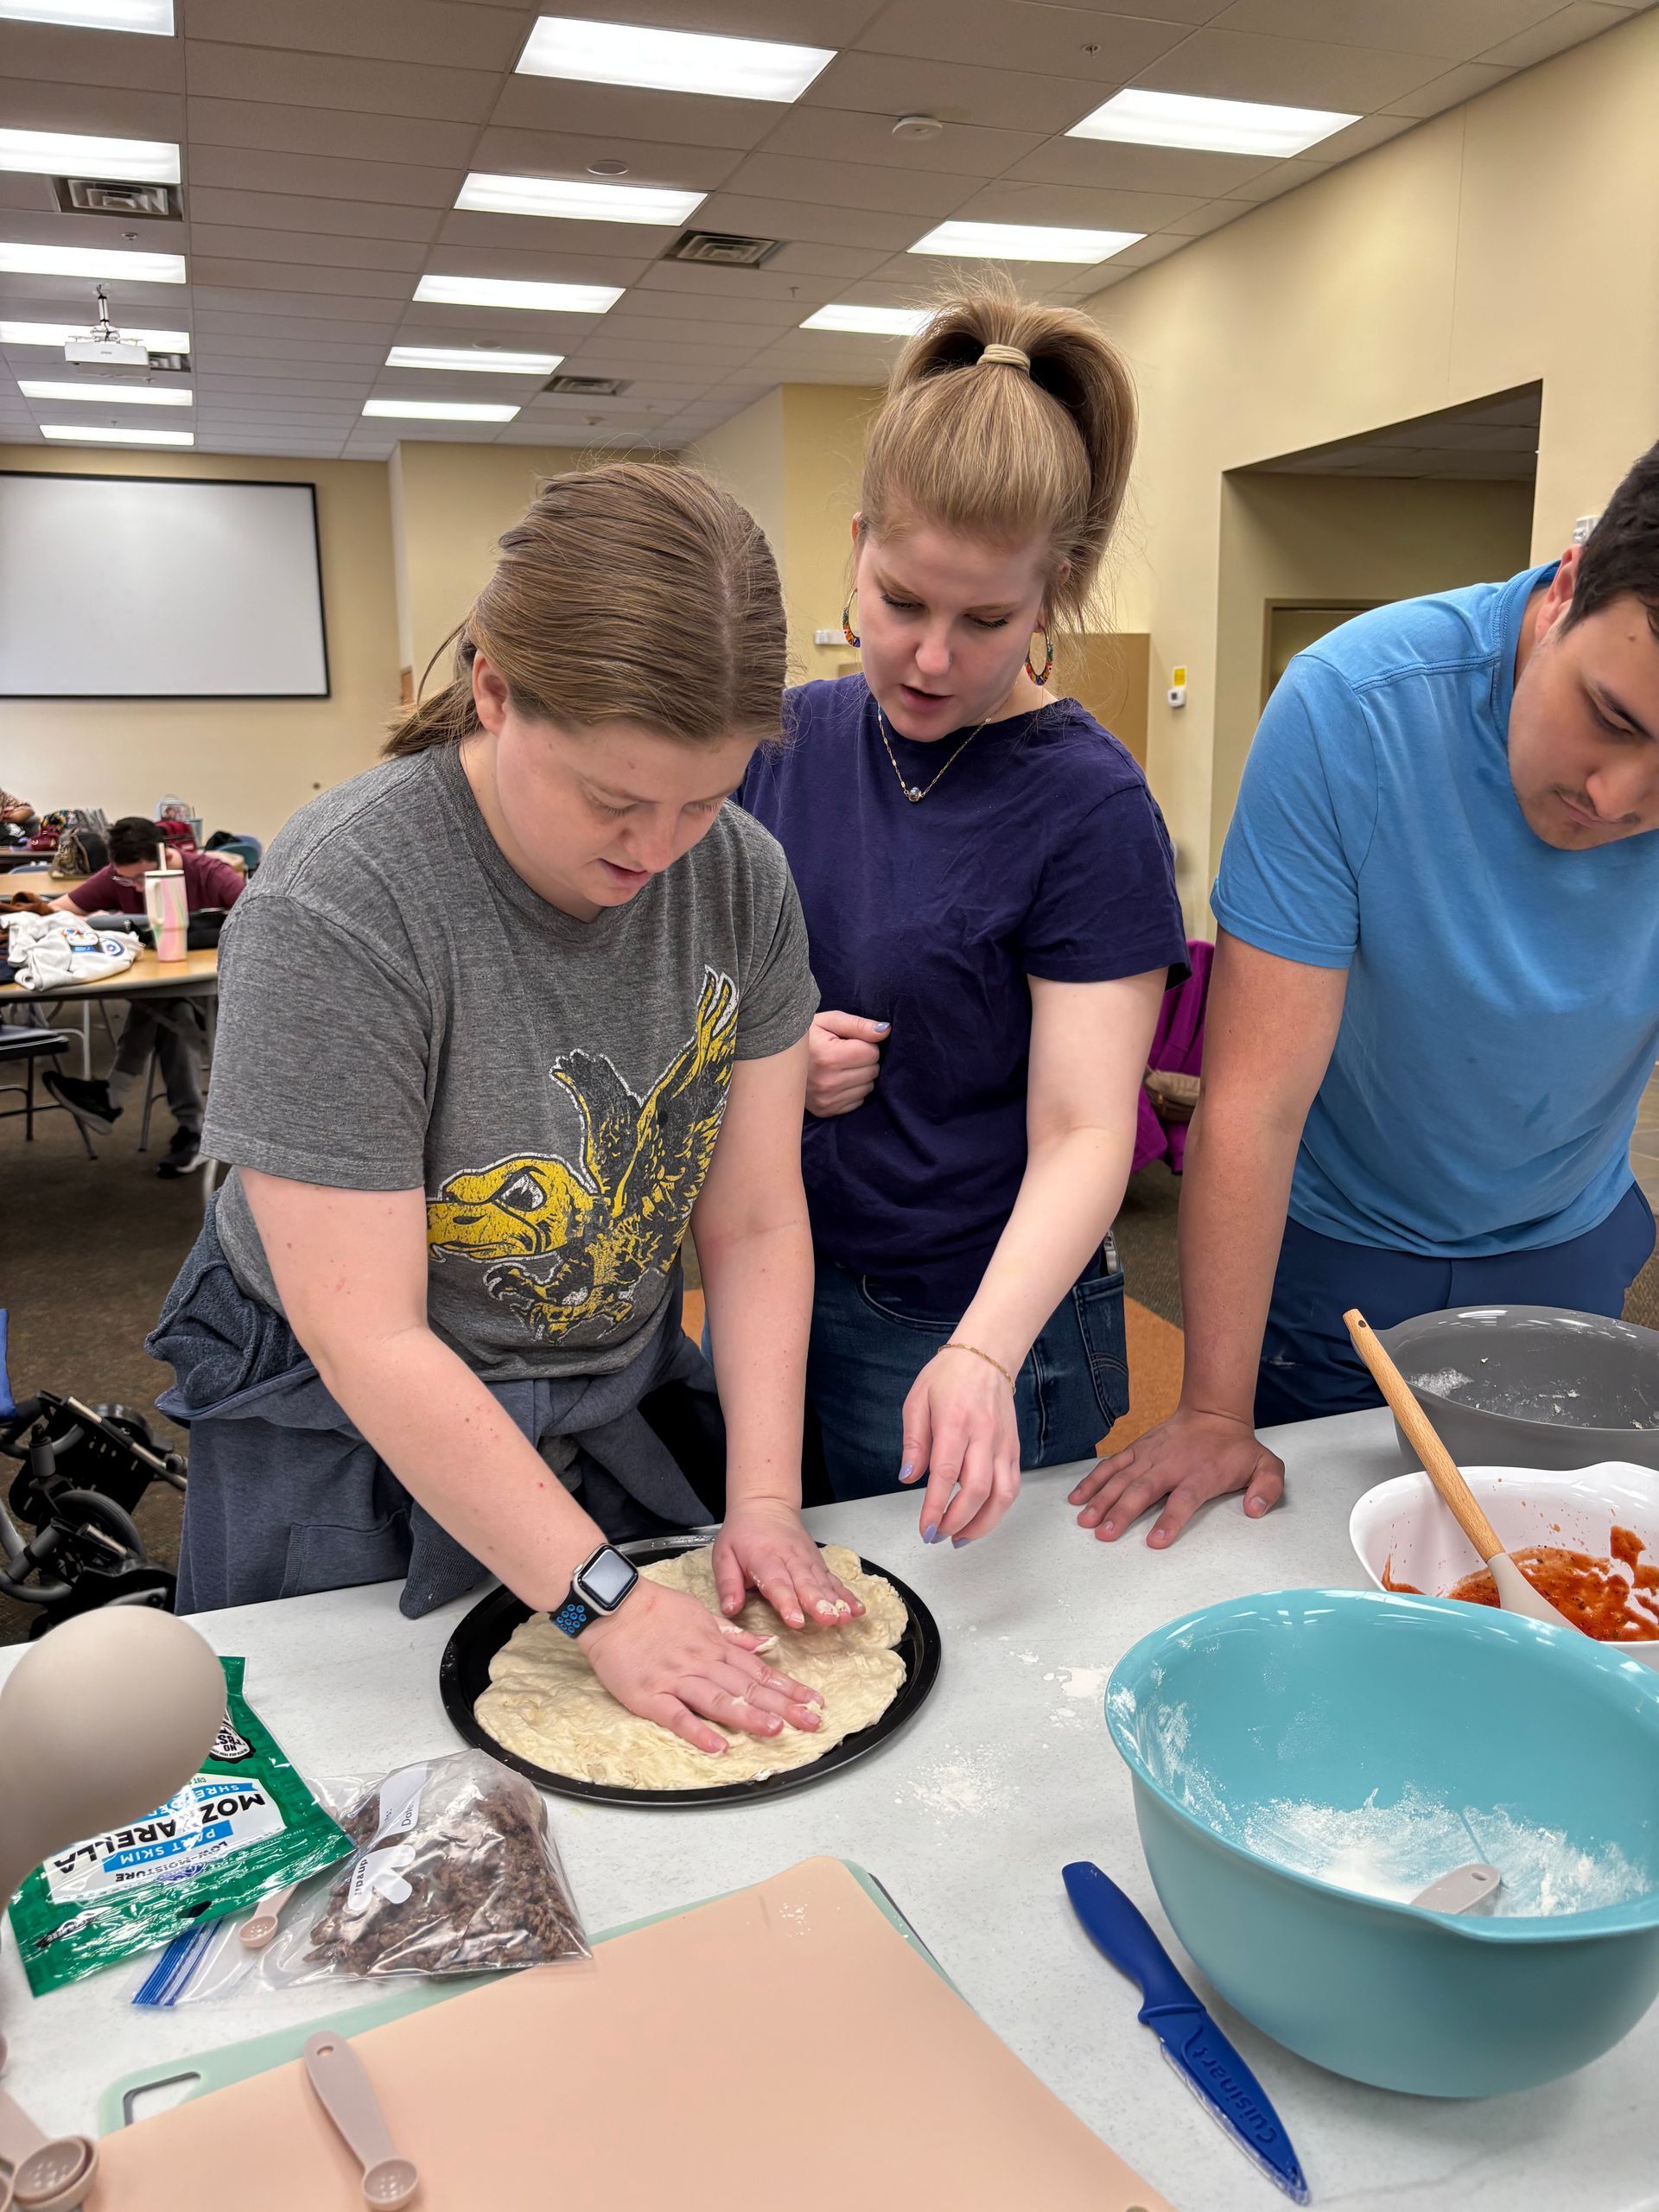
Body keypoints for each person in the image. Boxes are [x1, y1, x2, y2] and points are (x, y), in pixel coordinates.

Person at [147, 462, 862, 1763]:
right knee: (352, 1785)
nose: (656, 849)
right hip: (343, 1421)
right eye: (611, 799)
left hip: (602, 1387)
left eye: (703, 799)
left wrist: (764, 1500)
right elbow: (370, 1333)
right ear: (493, 690)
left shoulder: (743, 881)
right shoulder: (344, 900)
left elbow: (753, 1222)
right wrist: (600, 1598)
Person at [1072, 439, 1659, 1551]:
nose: (1616, 795)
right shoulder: (1355, 707)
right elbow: (1253, 1103)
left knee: (1549, 1570)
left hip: (1566, 1230)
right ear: (1569, 586)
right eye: (1613, 718)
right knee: (1316, 1556)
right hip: (1335, 1242)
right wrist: (1211, 1408)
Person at [741, 287, 1187, 1551]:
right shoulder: (788, 739)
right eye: (898, 602)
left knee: (957, 1666)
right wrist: (760, 1065)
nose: (930, 657)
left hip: (979, 1316)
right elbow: (688, 991)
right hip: (783, 1281)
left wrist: (985, 1353)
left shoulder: (1088, 808)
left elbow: (1091, 1129)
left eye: (985, 620)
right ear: (858, 544)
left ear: (1059, 589)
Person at [43, 817, 245, 1177]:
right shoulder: (117, 876)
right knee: (169, 1011)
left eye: (144, 879)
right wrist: (91, 919)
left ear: (167, 856)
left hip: (220, 994)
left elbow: (258, 918)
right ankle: (191, 1130)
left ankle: (114, 1097)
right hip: (170, 991)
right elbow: (57, 910)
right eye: (127, 880)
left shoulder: (208, 874)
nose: (135, 889)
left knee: (166, 1009)